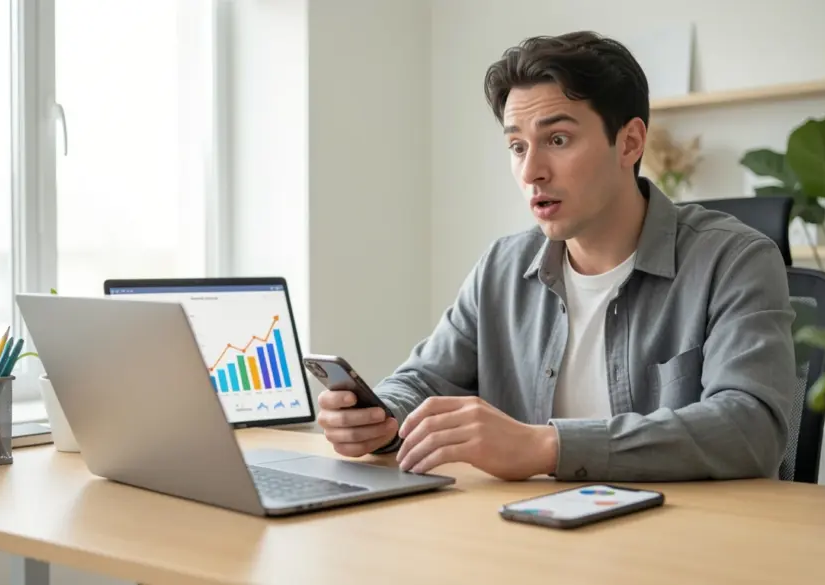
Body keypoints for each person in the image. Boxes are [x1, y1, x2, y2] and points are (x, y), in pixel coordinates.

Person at [316, 31, 797, 483]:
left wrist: (548, 446)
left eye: (558, 140)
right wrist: (380, 416)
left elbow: (751, 428)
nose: (531, 171)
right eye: (517, 146)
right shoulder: (501, 269)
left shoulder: (735, 260)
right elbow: (424, 378)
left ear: (629, 142)